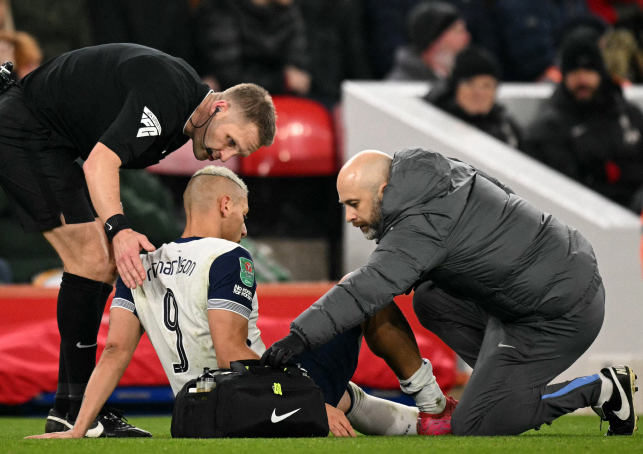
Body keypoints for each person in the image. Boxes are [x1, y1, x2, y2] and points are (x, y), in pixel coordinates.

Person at [0, 43, 277, 437]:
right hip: (23, 132)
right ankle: (72, 409)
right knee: (94, 259)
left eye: (236, 151)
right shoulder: (170, 97)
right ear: (219, 107)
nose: (225, 156)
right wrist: (118, 230)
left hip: (48, 140)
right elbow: (101, 162)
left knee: (94, 264)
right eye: (231, 141)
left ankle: (72, 409)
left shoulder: (184, 114)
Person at [26, 166, 451, 439]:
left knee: (337, 390)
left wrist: (79, 427)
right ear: (225, 204)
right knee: (363, 295)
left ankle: (418, 424)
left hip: (194, 414)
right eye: (244, 215)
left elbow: (115, 351)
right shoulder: (228, 256)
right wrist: (305, 403)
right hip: (247, 403)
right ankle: (432, 406)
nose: (245, 228)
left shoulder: (142, 262)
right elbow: (232, 354)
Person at [264, 148, 639, 436]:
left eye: (353, 204)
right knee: (431, 298)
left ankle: (601, 389)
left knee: (473, 424)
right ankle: (504, 390)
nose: (349, 216)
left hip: (560, 312)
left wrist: (300, 337)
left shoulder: (421, 224)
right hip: (540, 288)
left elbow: (369, 286)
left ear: (382, 191)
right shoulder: (437, 171)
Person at [525, 29, 643, 211]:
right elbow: (569, 192)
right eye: (574, 72)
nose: (582, 80)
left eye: (588, 70)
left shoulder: (628, 113)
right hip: (595, 219)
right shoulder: (550, 127)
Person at [195, 0, 311, 96]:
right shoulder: (220, 10)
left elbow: (299, 62)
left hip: (284, 99)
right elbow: (229, 75)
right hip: (236, 99)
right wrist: (282, 81)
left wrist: (292, 77)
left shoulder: (289, 10)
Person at [425, 46, 521, 150]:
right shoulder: (431, 123)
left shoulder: (505, 127)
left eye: (487, 85)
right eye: (470, 84)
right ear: (455, 88)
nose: (479, 93)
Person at [385, 1, 470, 82]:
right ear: (434, 40)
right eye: (458, 31)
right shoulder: (399, 87)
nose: (466, 37)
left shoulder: (459, 80)